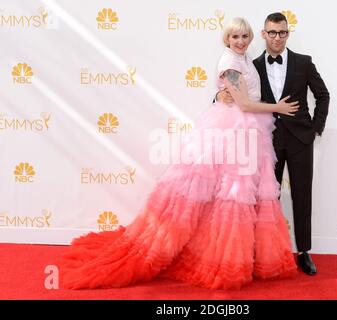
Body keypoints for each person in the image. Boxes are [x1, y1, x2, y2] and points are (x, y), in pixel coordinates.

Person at [60, 17, 299, 290]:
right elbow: (244, 103)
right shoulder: (230, 63)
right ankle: (221, 260)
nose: (241, 41)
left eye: (245, 36)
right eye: (235, 37)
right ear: (227, 39)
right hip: (233, 130)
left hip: (248, 131)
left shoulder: (243, 59)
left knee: (233, 196)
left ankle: (236, 256)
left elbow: (243, 96)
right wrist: (277, 108)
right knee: (230, 194)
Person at [217, 13, 330, 275]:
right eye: (272, 32)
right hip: (268, 140)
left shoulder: (304, 62)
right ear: (264, 34)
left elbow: (323, 95)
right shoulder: (251, 63)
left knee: (302, 195)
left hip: (301, 139)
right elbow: (240, 93)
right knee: (267, 198)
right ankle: (264, 253)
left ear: (287, 34)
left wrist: (315, 129)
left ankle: (304, 251)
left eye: (282, 32)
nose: (277, 37)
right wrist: (219, 94)